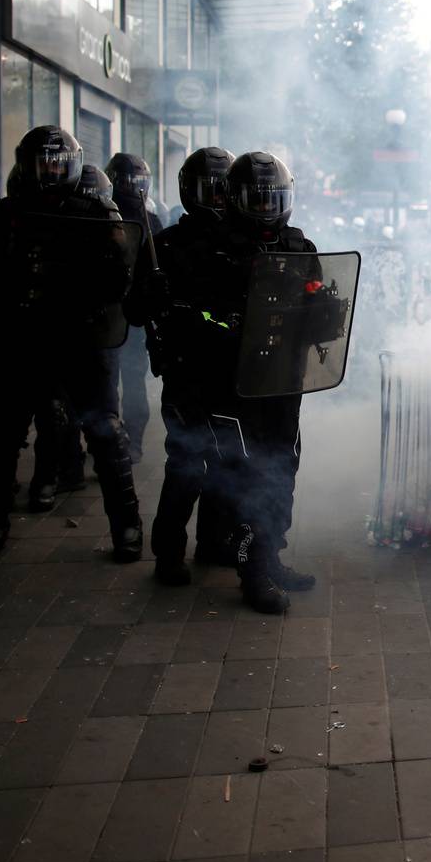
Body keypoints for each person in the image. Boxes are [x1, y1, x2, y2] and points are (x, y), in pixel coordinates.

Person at [0, 126, 144, 563]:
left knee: (106, 436)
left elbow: (121, 280)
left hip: (79, 341)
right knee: (0, 437)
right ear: (25, 165)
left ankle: (128, 527)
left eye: (57, 163)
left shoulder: (97, 212)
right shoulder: (4, 216)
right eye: (41, 163)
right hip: (18, 342)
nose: (48, 171)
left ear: (73, 165)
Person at [154, 151, 316, 611]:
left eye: (274, 200)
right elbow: (192, 316)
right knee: (234, 475)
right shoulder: (208, 249)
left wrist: (324, 312)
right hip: (227, 385)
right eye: (256, 200)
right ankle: (252, 569)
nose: (267, 209)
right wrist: (215, 324)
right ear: (235, 199)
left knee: (281, 471)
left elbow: (316, 313)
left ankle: (269, 557)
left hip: (282, 381)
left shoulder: (299, 247)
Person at [138, 146, 238, 580]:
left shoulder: (241, 242)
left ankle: (214, 543)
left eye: (223, 190)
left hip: (231, 370)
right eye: (208, 190)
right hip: (186, 370)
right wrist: (151, 294)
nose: (216, 198)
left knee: (226, 461)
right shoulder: (163, 246)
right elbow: (133, 310)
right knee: (186, 463)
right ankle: (168, 554)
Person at [106, 152, 164, 462]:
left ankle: (129, 440)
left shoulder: (150, 220)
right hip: (107, 313)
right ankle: (118, 439)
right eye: (128, 181)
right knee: (117, 381)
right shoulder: (101, 216)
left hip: (131, 315)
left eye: (137, 182)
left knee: (125, 379)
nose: (132, 187)